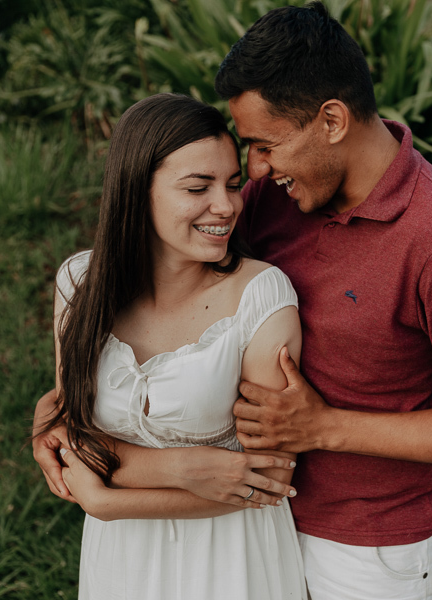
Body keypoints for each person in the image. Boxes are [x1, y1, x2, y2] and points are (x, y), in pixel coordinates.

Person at [34, 3, 432, 598]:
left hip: (365, 547)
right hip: (246, 521)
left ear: (331, 120)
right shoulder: (273, 197)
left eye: (265, 144)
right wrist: (52, 423)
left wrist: (325, 428)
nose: (254, 172)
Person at [35, 92, 307, 599]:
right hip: (121, 561)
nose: (226, 207)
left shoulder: (261, 296)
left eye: (231, 184)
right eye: (197, 187)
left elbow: (270, 475)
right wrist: (183, 467)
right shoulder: (79, 283)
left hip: (231, 560)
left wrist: (109, 499)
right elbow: (70, 426)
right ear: (138, 191)